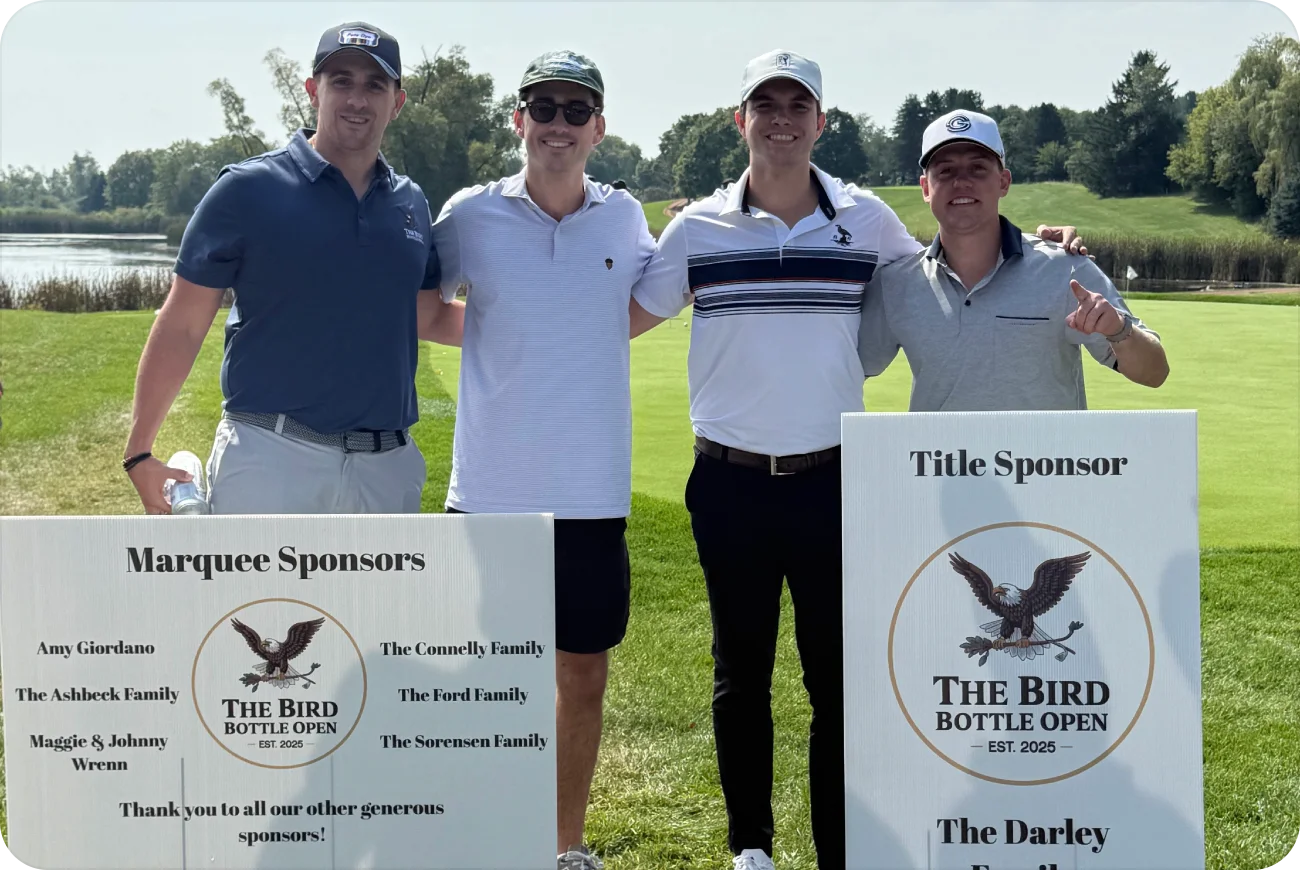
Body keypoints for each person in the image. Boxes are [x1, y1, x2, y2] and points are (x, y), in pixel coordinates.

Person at [628, 50, 1091, 870]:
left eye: (796, 103)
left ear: (821, 121)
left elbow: (944, 259)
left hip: (834, 481)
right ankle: (752, 849)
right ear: (741, 120)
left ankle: (841, 852)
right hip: (726, 480)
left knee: (835, 682)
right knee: (740, 671)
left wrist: (1045, 246)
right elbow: (628, 314)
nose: (780, 117)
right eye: (763, 103)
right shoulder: (697, 227)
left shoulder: (868, 220)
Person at [430, 50, 682, 870]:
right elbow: (425, 308)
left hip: (591, 491)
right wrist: (505, 337)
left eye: (578, 110)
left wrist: (565, 337)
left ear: (599, 129)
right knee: (481, 680)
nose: (559, 124)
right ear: (519, 122)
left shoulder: (622, 216)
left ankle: (561, 845)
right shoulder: (471, 213)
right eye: (544, 107)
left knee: (583, 679)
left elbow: (640, 305)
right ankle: (479, 837)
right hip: (492, 490)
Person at [121, 22, 462, 515]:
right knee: (263, 597)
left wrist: (536, 328)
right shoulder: (248, 189)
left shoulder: (409, 203)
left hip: (387, 467)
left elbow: (426, 315)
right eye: (341, 80)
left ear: (398, 102)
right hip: (271, 456)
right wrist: (140, 450)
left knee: (379, 598)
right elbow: (183, 322)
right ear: (313, 91)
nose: (357, 99)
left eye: (375, 85)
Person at [858, 109, 1169, 407]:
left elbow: (1155, 373)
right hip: (944, 462)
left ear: (1003, 182)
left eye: (978, 168)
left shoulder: (1065, 269)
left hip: (1045, 463)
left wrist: (1118, 330)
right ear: (926, 188)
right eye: (946, 171)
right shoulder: (896, 283)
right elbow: (844, 370)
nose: (961, 181)